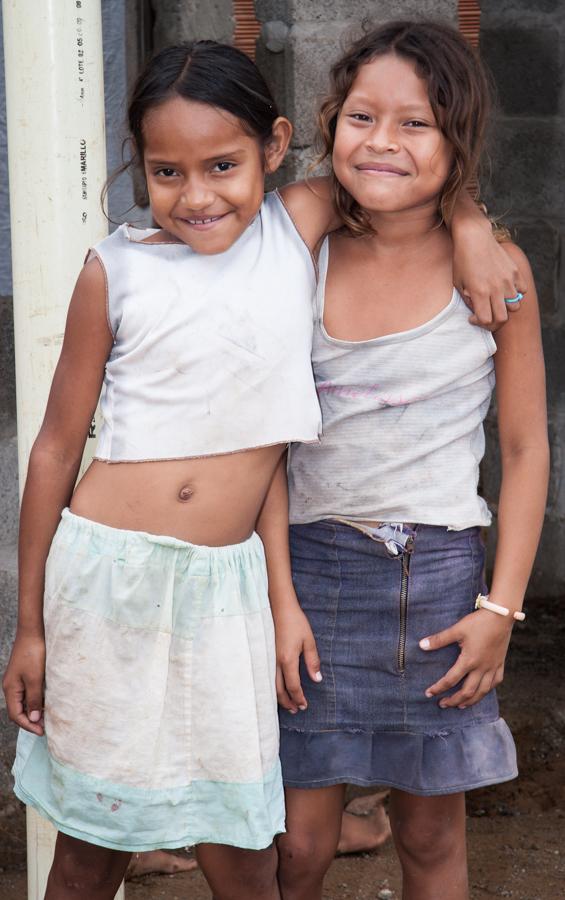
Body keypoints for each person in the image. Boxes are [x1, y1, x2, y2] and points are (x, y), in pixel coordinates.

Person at [2, 37, 524, 900]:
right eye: (166, 172)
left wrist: (470, 224)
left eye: (222, 165)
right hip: (105, 583)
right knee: (93, 843)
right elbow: (56, 446)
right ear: (139, 167)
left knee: (244, 846)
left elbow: (407, 164)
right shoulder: (116, 270)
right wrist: (28, 624)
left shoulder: (294, 228)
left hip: (229, 588)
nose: (196, 194)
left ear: (275, 149)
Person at [271, 20, 549, 900]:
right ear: (329, 122)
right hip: (312, 573)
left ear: (456, 139)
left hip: (437, 580)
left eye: (416, 123)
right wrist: (278, 599)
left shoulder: (498, 274)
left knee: (430, 838)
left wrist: (500, 606)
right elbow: (267, 444)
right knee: (297, 844)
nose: (381, 140)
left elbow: (524, 445)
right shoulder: (299, 242)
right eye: (360, 116)